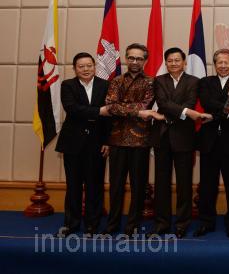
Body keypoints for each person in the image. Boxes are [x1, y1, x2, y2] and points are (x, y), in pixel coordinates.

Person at [148, 47, 212, 239]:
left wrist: (179, 111)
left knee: (184, 183)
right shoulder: (159, 80)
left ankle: (182, 224)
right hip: (162, 137)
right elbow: (162, 102)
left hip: (184, 137)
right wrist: (185, 112)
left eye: (177, 60)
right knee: (161, 183)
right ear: (166, 63)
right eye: (170, 60)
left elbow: (190, 103)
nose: (174, 63)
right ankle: (162, 223)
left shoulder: (193, 81)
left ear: (184, 63)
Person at [103, 43, 163, 237]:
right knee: (116, 186)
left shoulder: (152, 82)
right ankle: (112, 225)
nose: (135, 61)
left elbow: (146, 104)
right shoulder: (116, 81)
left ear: (145, 60)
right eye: (131, 58)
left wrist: (124, 107)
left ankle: (132, 227)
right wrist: (137, 111)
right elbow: (111, 106)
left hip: (140, 141)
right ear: (126, 58)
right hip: (117, 140)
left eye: (139, 58)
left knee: (138, 187)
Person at [195, 49, 229, 238]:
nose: (223, 65)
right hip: (208, 141)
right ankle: (206, 222)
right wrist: (228, 109)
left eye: (227, 62)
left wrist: (215, 114)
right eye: (220, 62)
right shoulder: (205, 82)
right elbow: (207, 103)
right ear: (215, 64)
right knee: (207, 185)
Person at [55, 52, 111, 238]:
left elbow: (110, 117)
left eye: (89, 65)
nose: (86, 69)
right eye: (81, 66)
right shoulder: (67, 85)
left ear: (95, 66)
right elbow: (72, 109)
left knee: (95, 185)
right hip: (73, 143)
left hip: (98, 143)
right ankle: (71, 224)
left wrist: (107, 141)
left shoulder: (106, 85)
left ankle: (92, 226)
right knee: (73, 185)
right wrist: (98, 111)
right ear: (74, 69)